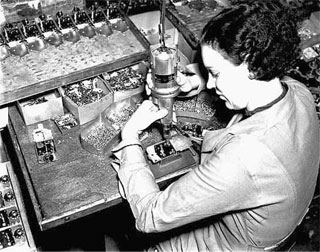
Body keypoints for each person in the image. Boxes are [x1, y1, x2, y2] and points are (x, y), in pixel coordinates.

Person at [112, 0, 320, 251]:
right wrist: (194, 81)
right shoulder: (298, 92)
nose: (210, 85)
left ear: (251, 64)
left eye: (216, 73)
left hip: (236, 244)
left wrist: (130, 136)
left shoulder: (244, 158)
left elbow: (150, 216)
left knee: (146, 243)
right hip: (275, 227)